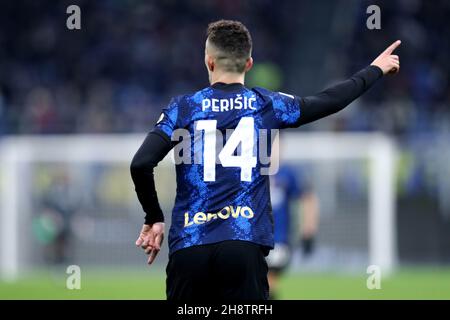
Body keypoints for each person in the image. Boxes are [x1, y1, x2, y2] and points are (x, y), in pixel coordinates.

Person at [130, 19, 401, 300]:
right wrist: (375, 70)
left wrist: (154, 216)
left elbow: (140, 164)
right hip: (243, 245)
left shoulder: (183, 108)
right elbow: (330, 101)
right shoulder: (266, 104)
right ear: (249, 64)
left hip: (190, 245)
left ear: (209, 62)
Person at [267, 162, 320, 300]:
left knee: (268, 282)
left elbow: (307, 198)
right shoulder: (247, 169)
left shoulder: (287, 172)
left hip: (278, 240)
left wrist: (308, 231)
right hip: (251, 238)